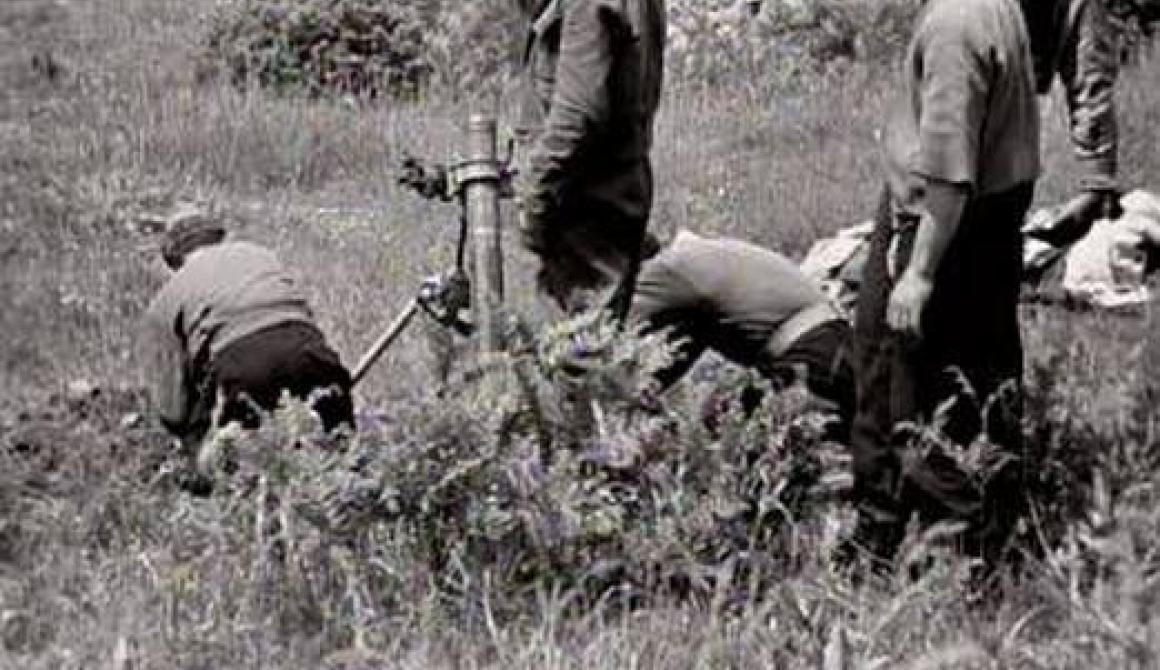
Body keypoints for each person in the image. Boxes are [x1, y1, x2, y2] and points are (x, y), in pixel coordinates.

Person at [843, 0, 1043, 570]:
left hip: (945, 228)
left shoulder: (955, 23)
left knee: (917, 393)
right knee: (967, 382)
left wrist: (919, 273)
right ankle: (969, 539)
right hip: (979, 220)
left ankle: (943, 557)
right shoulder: (993, 6)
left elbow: (951, 174)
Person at [142, 208, 354, 451]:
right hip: (311, 353)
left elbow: (173, 410)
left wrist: (193, 442)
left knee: (242, 467)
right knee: (337, 453)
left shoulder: (168, 296)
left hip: (242, 368)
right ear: (219, 237)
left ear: (173, 257)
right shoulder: (261, 256)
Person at [515, 0, 666, 322]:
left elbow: (577, 118)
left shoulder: (584, 6)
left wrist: (533, 192)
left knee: (585, 342)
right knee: (603, 331)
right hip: (608, 194)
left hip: (584, 203)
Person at [629, 230, 855, 437]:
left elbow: (615, 332)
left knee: (731, 436)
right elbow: (683, 348)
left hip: (806, 358)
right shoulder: (703, 256)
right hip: (841, 347)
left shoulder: (664, 271)